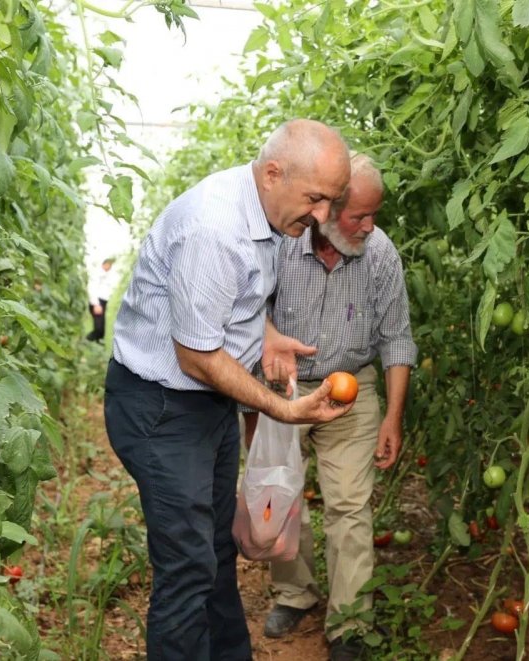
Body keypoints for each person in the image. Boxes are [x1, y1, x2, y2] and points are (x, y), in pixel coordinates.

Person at [104, 119, 356, 661]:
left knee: (214, 550)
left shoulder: (266, 217)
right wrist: (282, 410)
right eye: (315, 199)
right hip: (162, 408)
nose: (320, 216)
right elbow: (196, 354)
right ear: (272, 173)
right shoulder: (214, 227)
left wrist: (264, 336)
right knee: (187, 566)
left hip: (204, 407)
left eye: (330, 202)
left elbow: (229, 304)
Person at [245, 153, 417, 661]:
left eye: (374, 214)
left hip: (352, 392)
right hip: (284, 386)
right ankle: (294, 592)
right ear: (324, 209)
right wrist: (258, 406)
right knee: (279, 492)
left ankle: (349, 622)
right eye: (358, 216)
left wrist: (392, 416)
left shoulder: (381, 255)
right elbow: (248, 315)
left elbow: (398, 338)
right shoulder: (279, 246)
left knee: (349, 504)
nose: (369, 226)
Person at [86, 257, 117, 342]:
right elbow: (92, 287)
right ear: (104, 264)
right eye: (109, 265)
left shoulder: (107, 274)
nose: (110, 267)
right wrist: (96, 304)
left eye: (111, 265)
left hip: (103, 300)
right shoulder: (97, 273)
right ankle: (87, 339)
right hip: (97, 301)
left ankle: (99, 340)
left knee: (101, 323)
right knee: (99, 325)